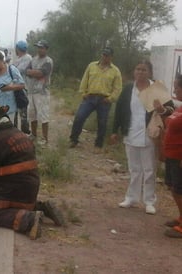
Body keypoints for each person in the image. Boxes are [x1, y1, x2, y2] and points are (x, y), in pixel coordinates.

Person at [0, 104, 64, 240]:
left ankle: (28, 220)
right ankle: (41, 208)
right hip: (31, 189)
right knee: (17, 203)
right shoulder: (21, 135)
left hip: (14, 190)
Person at [110, 60, 174, 215]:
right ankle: (131, 197)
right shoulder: (128, 89)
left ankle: (149, 201)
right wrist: (114, 131)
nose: (140, 72)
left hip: (149, 134)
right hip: (131, 132)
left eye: (144, 70)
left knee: (149, 169)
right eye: (138, 69)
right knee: (134, 168)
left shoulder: (156, 88)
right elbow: (119, 110)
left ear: (150, 72)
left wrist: (162, 109)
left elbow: (171, 109)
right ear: (134, 71)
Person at [69, 47, 122, 150]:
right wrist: (83, 93)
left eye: (107, 55)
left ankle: (98, 144)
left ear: (111, 57)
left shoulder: (115, 71)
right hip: (90, 97)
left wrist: (110, 99)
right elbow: (85, 80)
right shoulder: (91, 66)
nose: (104, 57)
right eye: (103, 54)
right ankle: (73, 140)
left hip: (104, 100)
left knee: (102, 123)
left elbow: (118, 88)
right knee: (79, 117)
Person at [163, 74, 182, 237]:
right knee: (172, 187)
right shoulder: (180, 107)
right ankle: (181, 217)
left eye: (177, 86)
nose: (175, 89)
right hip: (171, 155)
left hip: (179, 156)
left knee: (179, 190)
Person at [25, 40, 53, 145]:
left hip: (42, 92)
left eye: (41, 48)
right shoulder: (33, 60)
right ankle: (33, 134)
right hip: (31, 91)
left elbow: (41, 73)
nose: (39, 49)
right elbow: (26, 71)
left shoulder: (48, 61)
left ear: (46, 49)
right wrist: (34, 73)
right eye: (38, 47)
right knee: (32, 114)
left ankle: (45, 139)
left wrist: (33, 72)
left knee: (43, 116)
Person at [0, 50, 24, 123]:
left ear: (1, 60)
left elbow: (22, 85)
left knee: (8, 132)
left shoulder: (11, 70)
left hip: (8, 111)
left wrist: (9, 88)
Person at [12, 40, 32, 134]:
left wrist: (11, 68)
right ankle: (15, 131)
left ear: (17, 48)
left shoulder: (27, 58)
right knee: (15, 110)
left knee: (23, 111)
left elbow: (19, 70)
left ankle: (25, 132)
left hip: (23, 88)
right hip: (15, 87)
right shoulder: (18, 59)